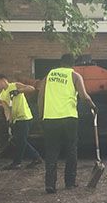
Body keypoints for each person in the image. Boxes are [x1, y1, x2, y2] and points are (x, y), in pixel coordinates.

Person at [38, 53, 96, 194]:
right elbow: (84, 96)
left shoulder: (48, 76)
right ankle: (70, 182)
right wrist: (93, 106)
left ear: (60, 63)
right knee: (71, 149)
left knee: (51, 151)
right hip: (69, 118)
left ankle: (50, 184)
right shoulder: (75, 76)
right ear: (73, 64)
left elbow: (41, 96)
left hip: (50, 118)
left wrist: (41, 116)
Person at [0, 74, 42, 170]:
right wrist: (9, 120)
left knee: (21, 141)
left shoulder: (15, 85)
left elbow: (31, 88)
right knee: (20, 141)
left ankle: (17, 162)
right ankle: (36, 158)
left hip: (25, 117)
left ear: (3, 80)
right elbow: (6, 109)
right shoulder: (2, 96)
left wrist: (18, 91)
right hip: (16, 119)